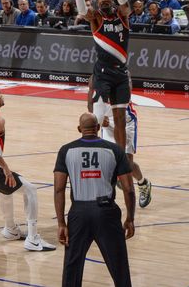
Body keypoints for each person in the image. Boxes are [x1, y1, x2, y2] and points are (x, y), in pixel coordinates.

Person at [0, 86, 55, 252]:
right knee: (30, 190)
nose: (2, 96)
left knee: (4, 191)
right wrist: (5, 168)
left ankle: (11, 229)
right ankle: (33, 239)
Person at [54, 112, 134, 287]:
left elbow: (59, 189)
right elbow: (128, 189)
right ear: (98, 128)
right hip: (106, 212)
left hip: (78, 213)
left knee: (72, 269)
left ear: (79, 129)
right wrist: (130, 218)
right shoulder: (115, 150)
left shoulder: (66, 150)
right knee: (119, 267)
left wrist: (61, 223)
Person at [75, 0, 132, 152]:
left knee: (120, 119)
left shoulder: (122, 15)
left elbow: (126, 4)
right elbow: (82, 9)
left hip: (121, 73)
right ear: (97, 2)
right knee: (96, 119)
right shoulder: (96, 18)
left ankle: (120, 157)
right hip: (103, 73)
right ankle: (92, 151)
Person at [87, 72, 153, 207]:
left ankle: (143, 183)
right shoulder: (95, 77)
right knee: (106, 161)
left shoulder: (123, 75)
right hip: (107, 123)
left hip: (125, 121)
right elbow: (89, 102)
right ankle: (106, 199)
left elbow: (126, 95)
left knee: (126, 163)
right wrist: (97, 116)